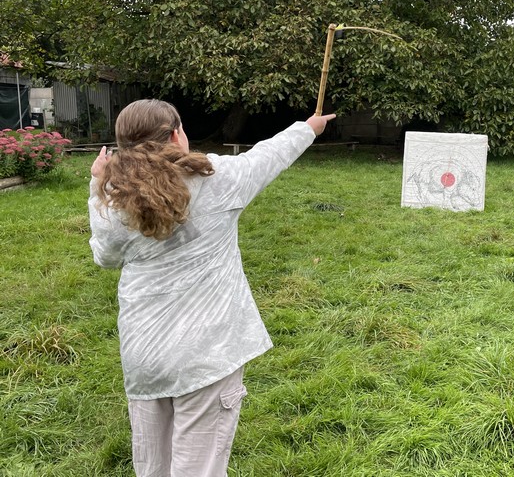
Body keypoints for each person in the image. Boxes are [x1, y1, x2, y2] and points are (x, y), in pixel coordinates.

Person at [88, 99, 335, 476]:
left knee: (152, 468)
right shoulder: (218, 177)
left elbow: (105, 257)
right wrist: (308, 128)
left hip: (144, 355)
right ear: (176, 136)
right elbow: (268, 155)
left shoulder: (114, 196)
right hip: (208, 355)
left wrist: (97, 185)